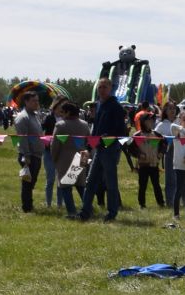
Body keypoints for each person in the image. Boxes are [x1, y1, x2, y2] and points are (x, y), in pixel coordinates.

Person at [79, 76, 127, 220]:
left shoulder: (116, 107)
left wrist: (107, 137)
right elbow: (96, 130)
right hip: (99, 149)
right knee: (91, 181)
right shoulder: (99, 105)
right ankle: (84, 212)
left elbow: (121, 131)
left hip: (110, 149)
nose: (101, 89)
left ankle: (112, 213)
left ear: (111, 89)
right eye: (99, 87)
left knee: (110, 182)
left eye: (104, 87)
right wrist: (89, 147)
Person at [51, 100, 90, 218]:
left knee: (66, 186)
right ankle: (88, 208)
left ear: (68, 112)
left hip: (65, 159)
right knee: (81, 185)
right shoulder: (84, 124)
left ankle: (72, 212)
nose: (61, 114)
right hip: (82, 156)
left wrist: (54, 158)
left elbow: (55, 144)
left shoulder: (60, 125)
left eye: (63, 112)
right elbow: (89, 141)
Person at [13, 90, 46, 212]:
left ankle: (28, 204)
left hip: (36, 154)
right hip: (28, 155)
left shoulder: (34, 115)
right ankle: (27, 207)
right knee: (27, 182)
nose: (36, 103)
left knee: (32, 181)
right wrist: (26, 155)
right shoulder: (22, 118)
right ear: (26, 102)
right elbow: (23, 138)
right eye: (33, 101)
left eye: (37, 100)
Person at [131, 110, 165, 209]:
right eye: (148, 121)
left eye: (152, 121)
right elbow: (131, 148)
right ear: (143, 122)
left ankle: (161, 203)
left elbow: (164, 144)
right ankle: (142, 204)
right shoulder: (137, 135)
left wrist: (161, 153)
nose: (151, 123)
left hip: (154, 164)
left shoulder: (157, 134)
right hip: (143, 165)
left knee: (156, 185)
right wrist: (138, 154)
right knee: (142, 185)